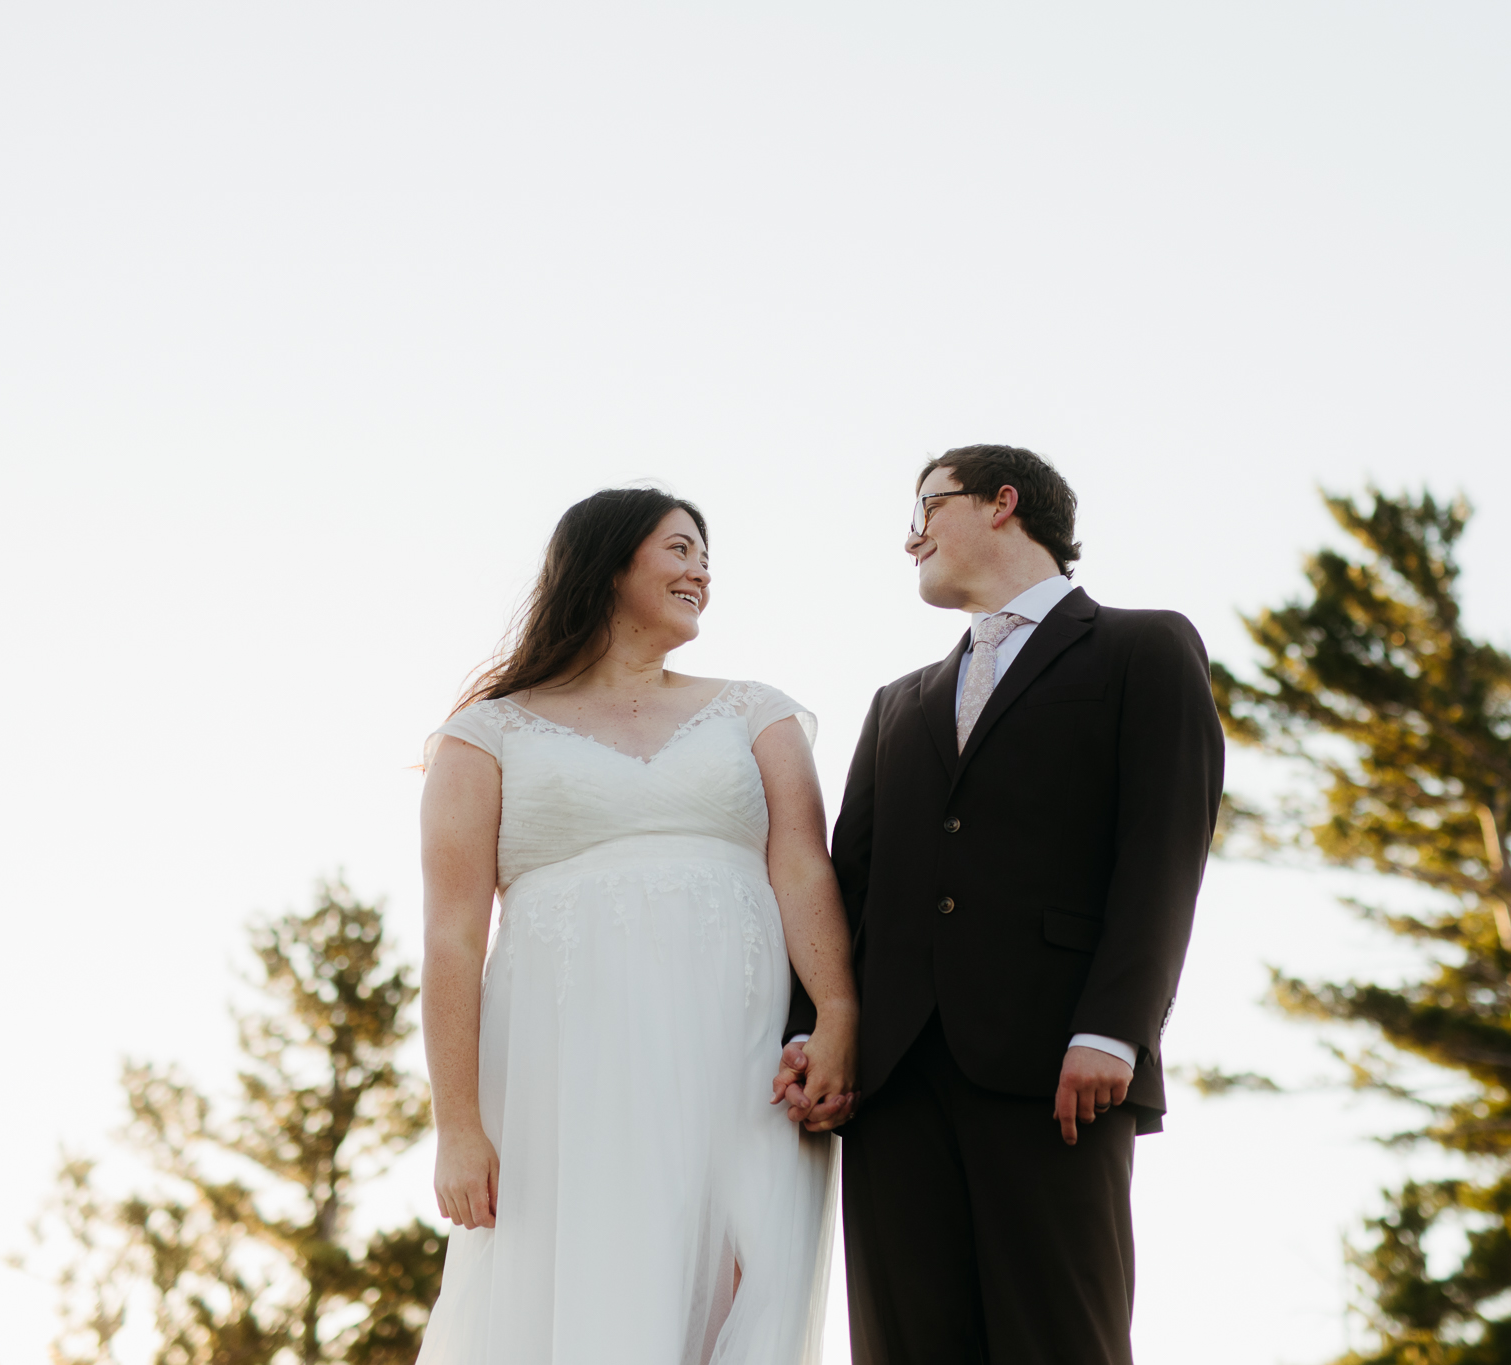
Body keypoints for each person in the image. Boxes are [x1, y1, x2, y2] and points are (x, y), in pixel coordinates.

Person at [779, 445, 1225, 1365]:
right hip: (895, 1082)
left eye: (925, 510)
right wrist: (816, 1029)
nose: (911, 540)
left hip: (1058, 1065)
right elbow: (847, 885)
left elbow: (1164, 851)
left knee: (1061, 1341)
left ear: (1001, 503)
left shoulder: (1145, 646)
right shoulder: (896, 704)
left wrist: (1114, 1027)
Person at [415, 487, 858, 1365]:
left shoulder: (755, 712)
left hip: (735, 1057)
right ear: (610, 560)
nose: (701, 572)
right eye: (680, 549)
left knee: (744, 1275)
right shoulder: (485, 734)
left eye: (705, 558)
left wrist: (839, 1012)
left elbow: (805, 866)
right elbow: (452, 937)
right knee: (579, 1283)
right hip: (563, 1070)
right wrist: (458, 1124)